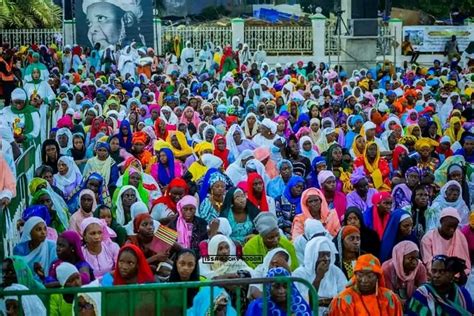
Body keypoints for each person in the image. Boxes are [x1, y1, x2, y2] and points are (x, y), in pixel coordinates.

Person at [328, 254, 403, 316]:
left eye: (369, 276)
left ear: (377, 277)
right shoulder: (342, 300)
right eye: (360, 275)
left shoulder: (389, 298)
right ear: (355, 275)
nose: (364, 280)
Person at [292, 236, 347, 313]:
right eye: (322, 255)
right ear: (312, 255)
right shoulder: (299, 274)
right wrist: (319, 277)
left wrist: (321, 302)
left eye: (328, 255)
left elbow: (345, 298)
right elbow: (305, 303)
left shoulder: (335, 271)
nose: (326, 258)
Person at [408, 255, 474, 315]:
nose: (436, 275)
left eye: (442, 271)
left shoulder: (462, 294)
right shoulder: (423, 293)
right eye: (434, 271)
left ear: (451, 274)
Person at [420, 207, 471, 275]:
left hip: (456, 276)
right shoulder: (428, 238)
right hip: (435, 276)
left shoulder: (460, 236)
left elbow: (465, 265)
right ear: (441, 222)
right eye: (448, 226)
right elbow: (428, 263)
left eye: (454, 227)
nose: (452, 230)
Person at [246, 267, 311, 315]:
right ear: (268, 287)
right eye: (276, 287)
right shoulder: (258, 307)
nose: (281, 291)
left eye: (285, 286)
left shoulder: (300, 307)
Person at [382, 241, 427, 306]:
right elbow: (389, 296)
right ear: (400, 257)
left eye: (417, 258)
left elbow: (424, 291)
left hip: (412, 304)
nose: (414, 262)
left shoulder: (420, 268)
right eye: (410, 258)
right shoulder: (387, 269)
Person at [13, 216, 57, 281]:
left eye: (45, 229)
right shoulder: (19, 250)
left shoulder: (51, 246)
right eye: (38, 229)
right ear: (29, 232)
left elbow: (55, 270)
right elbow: (19, 272)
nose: (43, 232)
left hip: (47, 283)